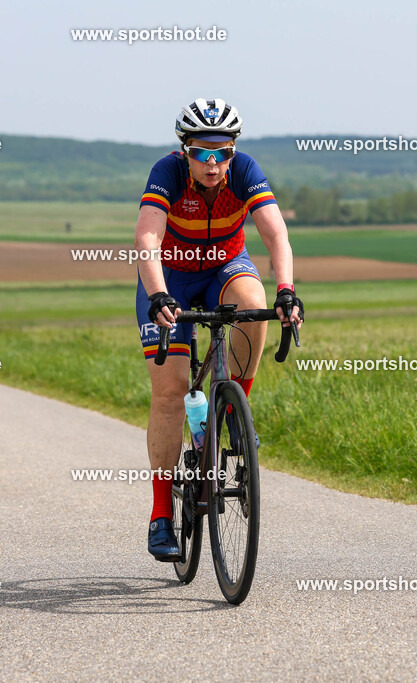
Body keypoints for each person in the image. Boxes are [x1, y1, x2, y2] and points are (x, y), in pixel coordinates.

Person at [134, 98, 303, 560]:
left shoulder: (245, 170)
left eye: (223, 152)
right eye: (203, 152)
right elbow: (147, 237)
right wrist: (157, 296)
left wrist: (286, 290)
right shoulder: (166, 173)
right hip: (170, 277)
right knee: (170, 394)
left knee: (253, 303)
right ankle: (161, 516)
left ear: (234, 151)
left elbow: (274, 234)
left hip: (226, 266)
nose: (213, 163)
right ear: (184, 150)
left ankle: (234, 408)